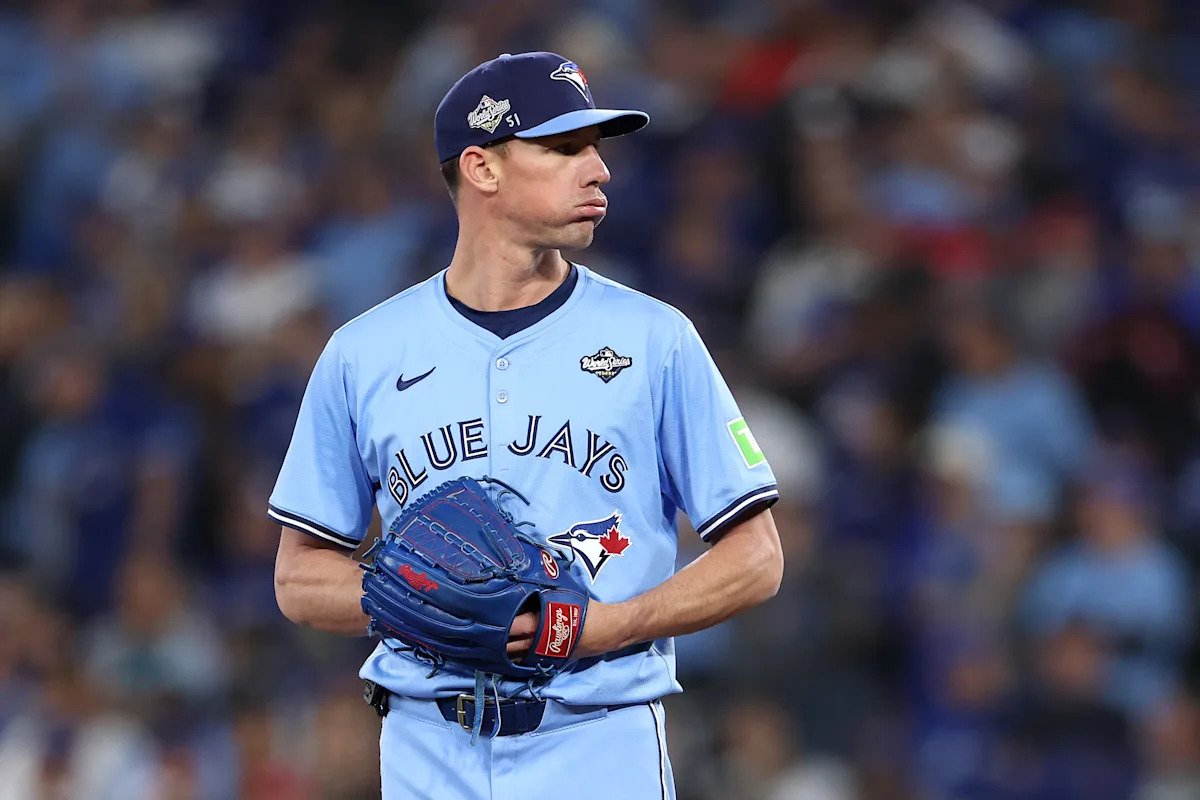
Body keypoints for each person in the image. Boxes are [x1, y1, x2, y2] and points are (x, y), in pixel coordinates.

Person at [269, 51, 784, 800]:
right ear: (481, 168)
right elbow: (297, 578)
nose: (599, 170)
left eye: (595, 149)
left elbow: (757, 557)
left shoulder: (655, 338)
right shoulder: (364, 353)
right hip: (425, 745)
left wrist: (610, 624)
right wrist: (423, 603)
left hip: (598, 739)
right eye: (565, 148)